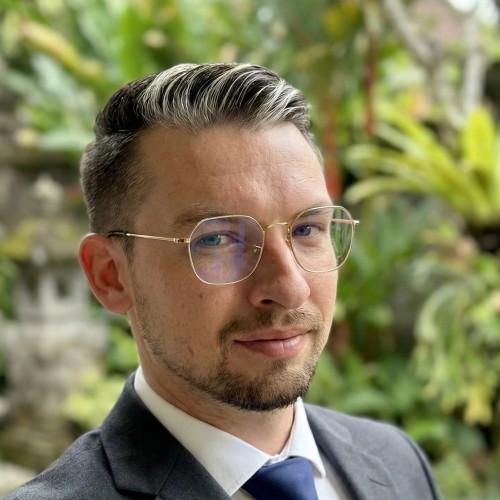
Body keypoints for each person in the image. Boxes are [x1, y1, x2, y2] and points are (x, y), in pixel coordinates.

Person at [7, 62, 441, 499]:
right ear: (110, 275)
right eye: (216, 239)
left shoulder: (397, 463)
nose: (291, 288)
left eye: (308, 229)